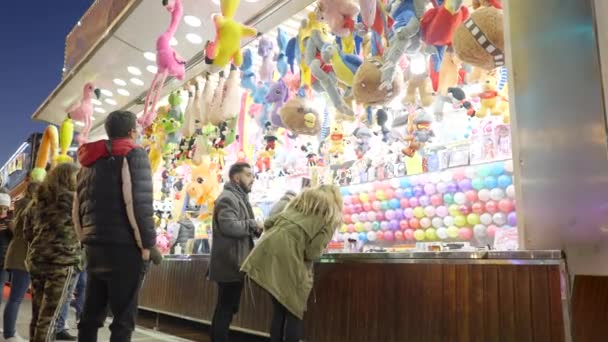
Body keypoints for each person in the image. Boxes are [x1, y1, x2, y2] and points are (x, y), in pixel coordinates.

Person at [74, 110, 156, 342]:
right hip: (125, 247)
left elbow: (77, 206)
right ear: (132, 131)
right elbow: (139, 204)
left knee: (92, 311)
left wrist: (84, 237)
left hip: (94, 245)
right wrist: (148, 244)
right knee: (123, 316)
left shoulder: (88, 160)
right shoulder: (134, 154)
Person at [241, 185, 343, 342]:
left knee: (279, 311)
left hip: (266, 254)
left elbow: (268, 223)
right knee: (294, 312)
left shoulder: (298, 204)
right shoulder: (329, 216)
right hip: (290, 262)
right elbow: (312, 252)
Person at [26, 163, 82, 342]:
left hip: (38, 261)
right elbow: (87, 232)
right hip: (63, 264)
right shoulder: (76, 202)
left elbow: (27, 232)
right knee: (50, 319)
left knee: (37, 316)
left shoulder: (37, 201)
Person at [209, 162, 262, 342]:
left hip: (234, 262)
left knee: (228, 308)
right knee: (225, 308)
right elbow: (229, 226)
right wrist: (254, 225)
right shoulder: (228, 198)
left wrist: (256, 229)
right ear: (236, 177)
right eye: (248, 175)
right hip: (230, 262)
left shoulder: (239, 198)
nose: (252, 179)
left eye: (253, 175)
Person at [3, 180, 38, 342]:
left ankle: (9, 332)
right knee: (16, 297)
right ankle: (9, 333)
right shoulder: (31, 209)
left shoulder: (21, 207)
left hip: (17, 256)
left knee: (15, 297)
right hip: (22, 258)